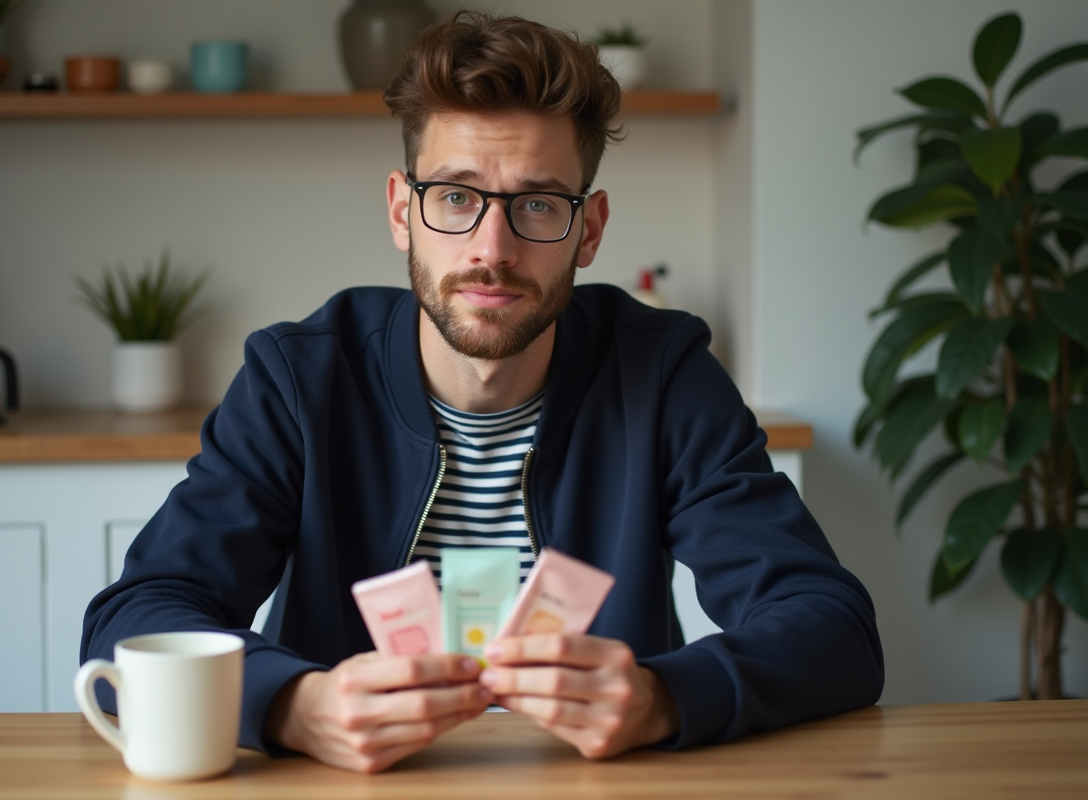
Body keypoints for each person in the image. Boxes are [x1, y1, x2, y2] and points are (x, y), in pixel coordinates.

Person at [82, 11, 884, 775]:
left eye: (537, 203)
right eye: (457, 198)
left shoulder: (663, 375)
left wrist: (664, 698)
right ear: (404, 210)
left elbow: (833, 627)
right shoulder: (299, 378)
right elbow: (135, 618)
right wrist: (294, 704)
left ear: (590, 229)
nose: (491, 250)